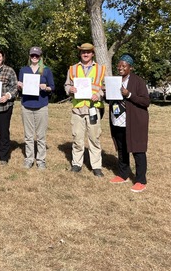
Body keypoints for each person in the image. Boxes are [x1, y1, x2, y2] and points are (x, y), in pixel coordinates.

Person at [108, 54, 150, 193]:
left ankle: (140, 180)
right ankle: (123, 174)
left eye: (124, 66)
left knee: (138, 150)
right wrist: (105, 93)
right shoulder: (114, 81)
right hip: (118, 120)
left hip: (134, 121)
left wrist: (129, 94)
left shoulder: (138, 82)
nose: (120, 68)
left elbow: (145, 101)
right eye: (119, 65)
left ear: (130, 68)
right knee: (122, 149)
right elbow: (111, 100)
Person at [64, 42, 106, 176]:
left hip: (93, 108)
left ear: (92, 53)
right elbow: (66, 85)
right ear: (80, 53)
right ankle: (77, 164)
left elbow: (105, 87)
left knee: (94, 138)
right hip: (78, 109)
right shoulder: (73, 69)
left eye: (88, 52)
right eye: (83, 52)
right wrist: (70, 89)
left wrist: (98, 95)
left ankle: (96, 166)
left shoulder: (101, 69)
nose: (85, 54)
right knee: (77, 138)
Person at [18, 47, 55, 169]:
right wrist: (19, 85)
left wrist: (46, 87)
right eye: (32, 55)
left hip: (41, 105)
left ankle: (41, 160)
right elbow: (19, 88)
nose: (34, 57)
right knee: (28, 135)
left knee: (41, 135)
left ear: (40, 57)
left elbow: (52, 87)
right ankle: (29, 159)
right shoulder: (23, 70)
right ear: (29, 56)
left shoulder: (46, 70)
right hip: (27, 104)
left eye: (37, 55)